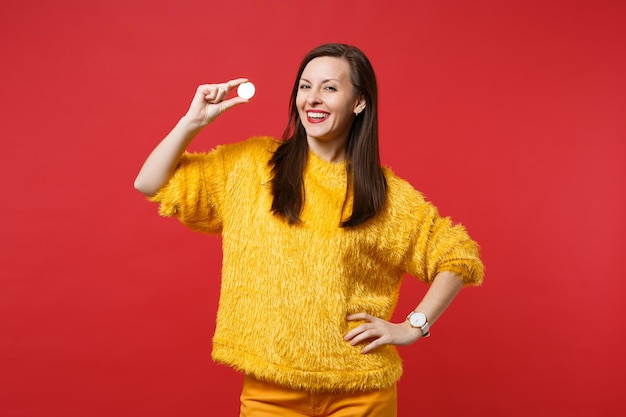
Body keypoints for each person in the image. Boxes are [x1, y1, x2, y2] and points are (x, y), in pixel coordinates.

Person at [134, 43, 484, 417]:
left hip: (361, 391)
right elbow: (151, 183)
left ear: (359, 102)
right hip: (271, 392)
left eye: (329, 88)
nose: (312, 100)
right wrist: (193, 122)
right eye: (305, 86)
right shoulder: (252, 165)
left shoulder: (387, 196)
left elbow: (458, 256)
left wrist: (413, 326)